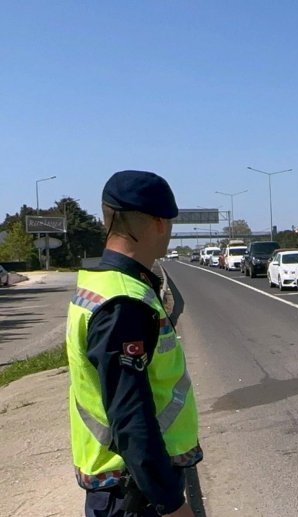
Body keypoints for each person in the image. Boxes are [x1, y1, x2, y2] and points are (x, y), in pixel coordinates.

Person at [66, 170, 202, 517]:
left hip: (125, 485)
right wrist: (171, 504)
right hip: (134, 494)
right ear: (159, 223)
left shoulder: (103, 285)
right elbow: (131, 417)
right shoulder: (124, 303)